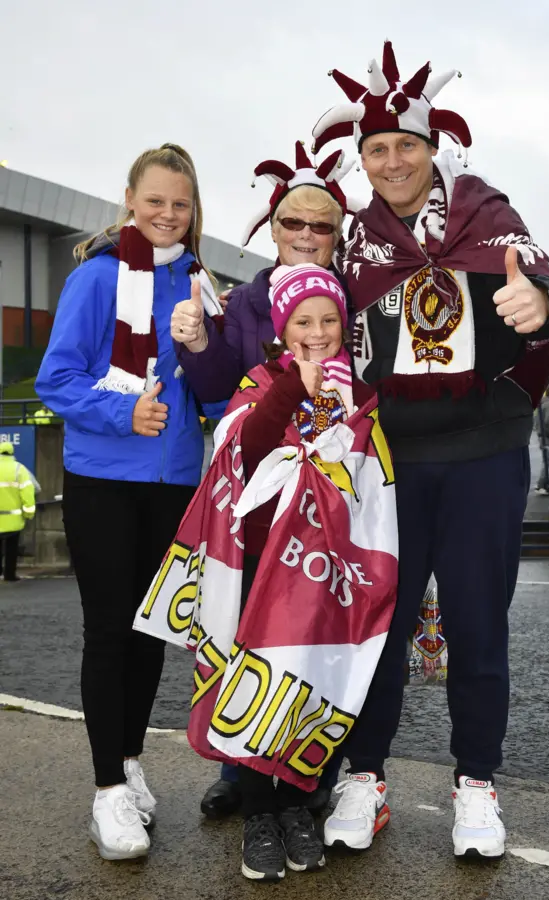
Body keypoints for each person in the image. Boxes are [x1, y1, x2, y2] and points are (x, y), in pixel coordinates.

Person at [311, 40, 549, 858]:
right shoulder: (356, 244)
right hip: (391, 461)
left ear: (434, 149)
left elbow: (545, 280)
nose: (392, 162)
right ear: (362, 159)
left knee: (478, 625)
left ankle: (476, 785)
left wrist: (544, 300)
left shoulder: (486, 214)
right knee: (379, 628)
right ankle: (366, 775)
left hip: (485, 452)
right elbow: (301, 311)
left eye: (406, 146)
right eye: (377, 149)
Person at [135, 263, 396, 881]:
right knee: (257, 684)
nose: (317, 331)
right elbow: (245, 449)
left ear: (345, 326)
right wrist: (294, 388)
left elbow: (375, 489)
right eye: (303, 320)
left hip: (325, 573)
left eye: (329, 320)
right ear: (282, 327)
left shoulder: (361, 396)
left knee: (310, 685)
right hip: (258, 565)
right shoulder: (262, 379)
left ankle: (298, 804)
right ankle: (258, 812)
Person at [35, 143, 221, 861]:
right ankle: (107, 790)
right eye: (156, 201)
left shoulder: (201, 284)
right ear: (129, 201)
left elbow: (209, 395)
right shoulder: (96, 277)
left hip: (173, 483)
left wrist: (208, 351)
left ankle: (131, 760)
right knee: (110, 630)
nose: (168, 215)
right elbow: (58, 380)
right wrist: (122, 416)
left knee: (151, 633)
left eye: (181, 203)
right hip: (103, 478)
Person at [172, 141, 359, 819]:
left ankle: (315, 768)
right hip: (254, 499)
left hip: (332, 506)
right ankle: (236, 767)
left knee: (321, 630)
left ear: (338, 236)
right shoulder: (245, 302)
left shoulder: (354, 304)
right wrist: (196, 342)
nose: (306, 237)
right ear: (270, 227)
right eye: (293, 223)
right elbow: (219, 386)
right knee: (240, 624)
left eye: (322, 226)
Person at [0, 441, 36, 581]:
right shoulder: (19, 469)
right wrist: (29, 513)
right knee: (11, 548)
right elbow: (27, 492)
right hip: (13, 519)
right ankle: (10, 574)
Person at [534, 385, 549, 494]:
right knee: (547, 461)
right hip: (546, 436)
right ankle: (541, 484)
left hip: (541, 434)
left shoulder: (541, 403)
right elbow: (548, 421)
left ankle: (545, 484)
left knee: (546, 460)